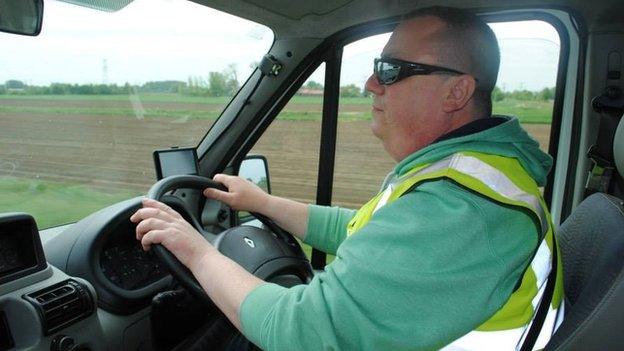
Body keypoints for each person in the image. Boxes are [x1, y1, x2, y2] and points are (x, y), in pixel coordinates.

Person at [131, 6, 564, 350]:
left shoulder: (459, 208)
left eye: (393, 69)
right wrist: (262, 203)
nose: (372, 83)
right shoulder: (464, 173)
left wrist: (197, 251)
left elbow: (302, 332)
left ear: (457, 92)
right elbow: (365, 230)